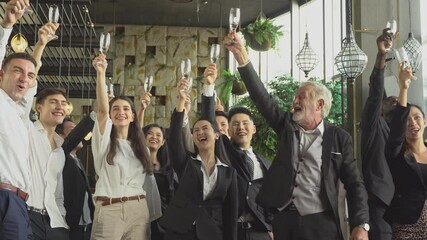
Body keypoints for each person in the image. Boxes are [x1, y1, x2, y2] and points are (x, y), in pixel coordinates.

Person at [224, 31, 369, 240]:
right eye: (295, 96)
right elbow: (262, 98)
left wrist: (361, 224)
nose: (295, 101)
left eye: (302, 96)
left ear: (320, 104)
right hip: (284, 221)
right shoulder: (287, 127)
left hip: (321, 223)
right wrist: (242, 57)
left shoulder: (339, 137)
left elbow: (355, 184)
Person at [90, 54, 160, 240]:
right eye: (116, 109)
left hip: (138, 209)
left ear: (132, 116)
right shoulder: (103, 141)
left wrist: (143, 108)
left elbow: (137, 132)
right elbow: (102, 110)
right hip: (109, 208)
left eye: (126, 109)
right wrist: (101, 73)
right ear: (111, 116)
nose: (121, 112)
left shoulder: (140, 147)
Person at [201, 63, 274, 240]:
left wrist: (271, 226)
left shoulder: (265, 162)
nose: (240, 127)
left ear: (253, 129)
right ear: (229, 131)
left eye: (245, 123)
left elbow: (272, 197)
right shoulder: (225, 150)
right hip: (232, 231)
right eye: (235, 124)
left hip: (260, 232)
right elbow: (209, 122)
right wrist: (209, 86)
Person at [159, 78, 238, 240]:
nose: (200, 132)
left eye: (205, 128)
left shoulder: (229, 172)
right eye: (196, 130)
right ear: (193, 138)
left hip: (212, 233)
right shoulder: (186, 163)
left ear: (217, 135)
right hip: (180, 232)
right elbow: (174, 139)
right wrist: (181, 101)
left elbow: (231, 213)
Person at [0, 1, 34, 239]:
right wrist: (8, 24)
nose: (24, 78)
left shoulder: (20, 113)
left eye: (30, 75)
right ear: (1, 74)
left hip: (20, 202)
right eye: (17, 71)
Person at [384, 64, 427, 239]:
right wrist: (403, 88)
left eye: (417, 118)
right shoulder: (396, 153)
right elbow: (396, 134)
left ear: (425, 121)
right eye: (407, 120)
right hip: (407, 225)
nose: (413, 124)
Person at [361, 29, 396, 240]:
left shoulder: (402, 134)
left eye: (397, 100)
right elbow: (375, 94)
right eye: (388, 99)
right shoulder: (374, 126)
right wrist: (381, 56)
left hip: (406, 210)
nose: (393, 100)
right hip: (380, 206)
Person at [26, 88, 69, 239]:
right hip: (27, 216)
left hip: (55, 223)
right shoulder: (28, 131)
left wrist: (62, 218)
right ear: (39, 107)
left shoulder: (60, 150)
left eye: (63, 103)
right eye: (53, 102)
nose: (60, 107)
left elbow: (58, 193)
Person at [138, 93, 176, 240]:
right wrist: (141, 109)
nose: (154, 137)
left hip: (163, 221)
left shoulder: (168, 168)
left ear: (163, 142)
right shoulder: (137, 162)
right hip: (139, 217)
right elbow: (136, 132)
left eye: (158, 135)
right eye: (150, 134)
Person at [56, 117, 95, 240]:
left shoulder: (77, 160)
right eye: (74, 130)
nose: (81, 135)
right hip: (71, 226)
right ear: (61, 136)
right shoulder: (62, 157)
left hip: (86, 227)